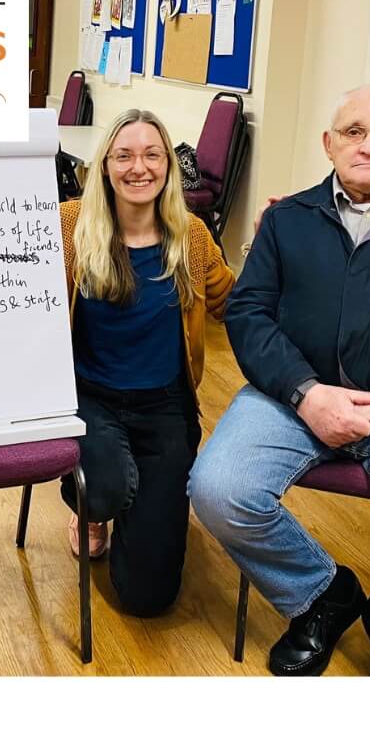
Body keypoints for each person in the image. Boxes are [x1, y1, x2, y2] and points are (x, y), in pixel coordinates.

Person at [189, 84, 370, 676]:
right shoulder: (287, 220)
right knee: (219, 491)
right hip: (295, 396)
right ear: (329, 144)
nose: (369, 145)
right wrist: (306, 392)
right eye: (353, 132)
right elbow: (247, 312)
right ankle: (323, 596)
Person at [59, 109, 234, 615]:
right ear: (106, 166)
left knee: (147, 598)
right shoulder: (70, 225)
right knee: (106, 487)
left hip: (165, 407)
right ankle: (95, 507)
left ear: (169, 166)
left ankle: (137, 502)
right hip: (90, 397)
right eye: (124, 155)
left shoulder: (193, 236)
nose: (140, 167)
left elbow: (233, 304)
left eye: (152, 155)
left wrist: (273, 248)